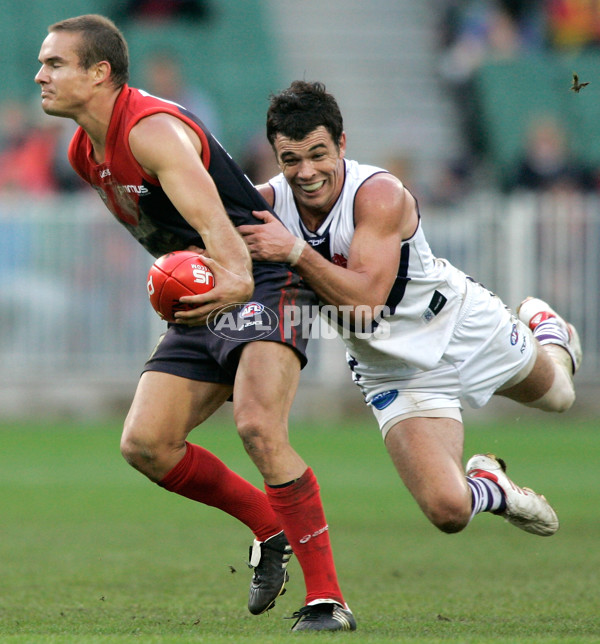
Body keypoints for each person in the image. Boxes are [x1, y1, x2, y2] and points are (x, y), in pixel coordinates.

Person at [35, 17, 355, 633]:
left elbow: (218, 227)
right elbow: (170, 235)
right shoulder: (82, 150)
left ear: (99, 73)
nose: (40, 76)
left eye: (55, 64)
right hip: (209, 287)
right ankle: (269, 527)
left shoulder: (153, 132)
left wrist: (230, 282)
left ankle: (327, 601)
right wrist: (187, 285)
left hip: (258, 273)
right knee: (145, 445)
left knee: (259, 426)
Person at [239, 80, 582, 547]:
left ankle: (547, 329)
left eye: (318, 153)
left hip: (458, 324)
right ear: (275, 158)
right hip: (389, 369)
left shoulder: (378, 194)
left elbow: (365, 303)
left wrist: (295, 251)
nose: (307, 172)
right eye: (291, 160)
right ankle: (494, 489)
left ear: (342, 144)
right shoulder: (267, 208)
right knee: (448, 511)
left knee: (560, 396)